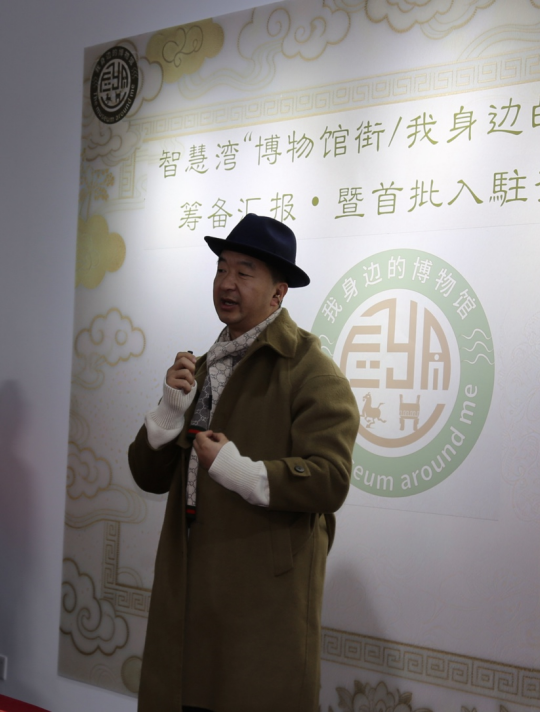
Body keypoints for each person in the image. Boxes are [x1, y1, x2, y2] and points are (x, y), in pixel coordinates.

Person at [128, 214, 359, 712]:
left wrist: (241, 470)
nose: (226, 283)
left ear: (279, 293)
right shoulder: (200, 366)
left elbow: (331, 480)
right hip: (189, 583)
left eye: (244, 272)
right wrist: (168, 412)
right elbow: (147, 477)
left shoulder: (311, 371)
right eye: (221, 269)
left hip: (261, 599)